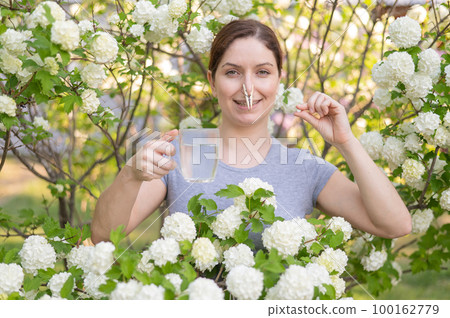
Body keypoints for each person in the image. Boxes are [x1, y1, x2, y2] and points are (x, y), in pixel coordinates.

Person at [91, 20, 411, 245]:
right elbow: (104, 235)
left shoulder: (303, 167)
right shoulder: (179, 155)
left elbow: (396, 224)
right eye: (232, 72)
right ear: (212, 80)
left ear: (278, 80)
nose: (248, 88)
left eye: (262, 72)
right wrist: (130, 176)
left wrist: (346, 142)